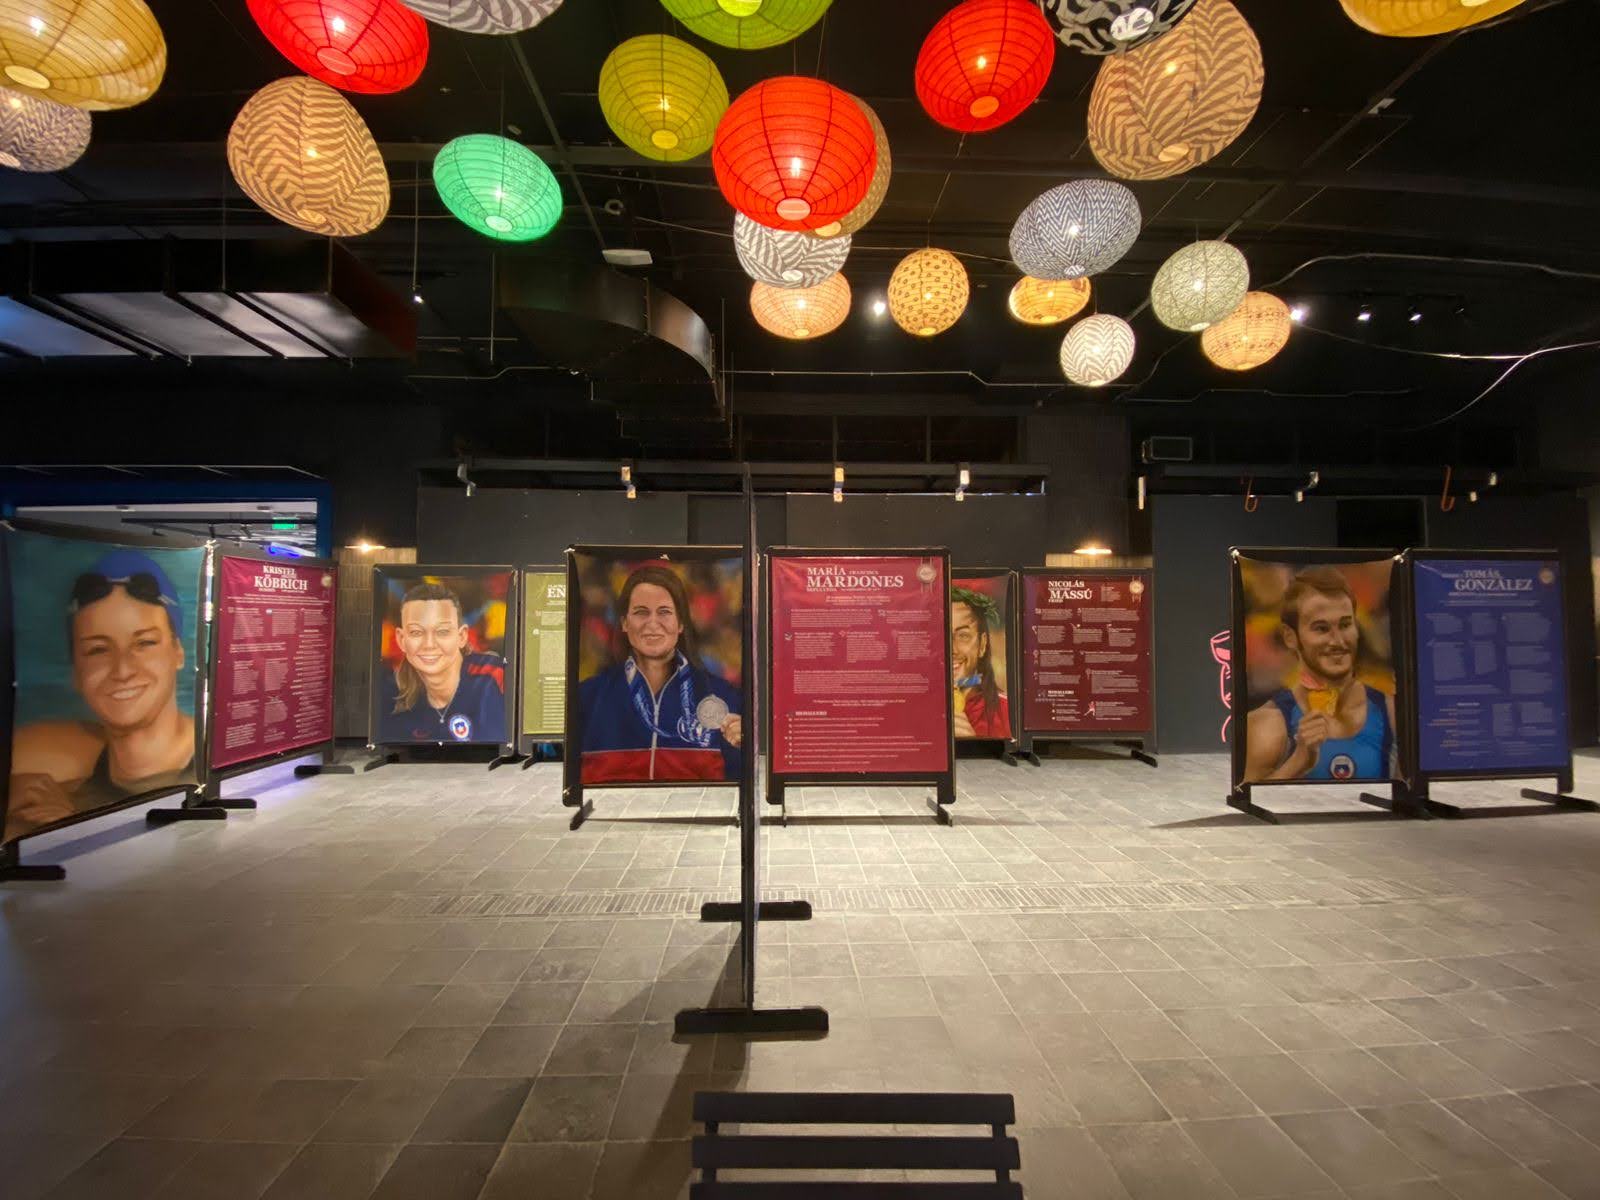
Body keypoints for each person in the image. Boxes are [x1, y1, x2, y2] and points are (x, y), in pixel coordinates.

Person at [6, 550, 196, 841]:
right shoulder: (64, 761)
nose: (122, 670)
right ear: (76, 671)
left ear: (178, 652)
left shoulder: (214, 759)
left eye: (144, 643)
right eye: (98, 650)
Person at [577, 564, 742, 783]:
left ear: (680, 623)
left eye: (664, 612)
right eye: (641, 612)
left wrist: (741, 746)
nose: (652, 623)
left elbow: (735, 786)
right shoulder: (587, 697)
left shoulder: (724, 696)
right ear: (624, 623)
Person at [1244, 567, 1394, 783]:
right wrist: (1298, 762)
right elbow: (1249, 800)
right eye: (1321, 628)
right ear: (1290, 637)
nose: (1338, 641)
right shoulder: (1266, 725)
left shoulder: (1393, 714)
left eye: (1345, 625)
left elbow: (1407, 797)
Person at [377, 581, 506, 743]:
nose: (429, 644)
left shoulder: (495, 677)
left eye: (442, 632)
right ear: (401, 639)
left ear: (462, 636)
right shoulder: (391, 696)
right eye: (416, 632)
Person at [951, 586, 1010, 739]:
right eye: (943, 634)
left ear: (982, 645)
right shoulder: (910, 708)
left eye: (963, 636)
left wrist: (973, 743)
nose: (952, 649)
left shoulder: (1007, 713)